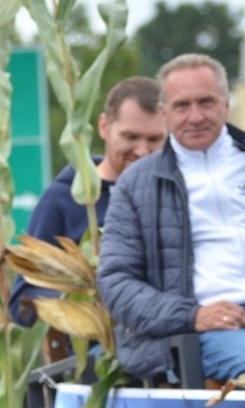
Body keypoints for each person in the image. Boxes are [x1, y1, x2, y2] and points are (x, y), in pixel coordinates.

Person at [98, 53, 245, 383]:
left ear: (226, 104)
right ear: (164, 113)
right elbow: (116, 282)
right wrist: (193, 316)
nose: (195, 117)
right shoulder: (135, 185)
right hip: (210, 331)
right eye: (182, 106)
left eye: (206, 102)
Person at [9, 77, 167, 326]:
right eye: (131, 137)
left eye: (154, 140)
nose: (142, 151)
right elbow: (22, 304)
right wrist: (81, 300)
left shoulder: (179, 196)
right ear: (104, 126)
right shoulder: (62, 201)